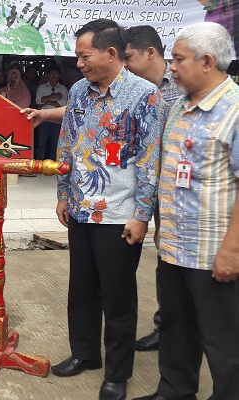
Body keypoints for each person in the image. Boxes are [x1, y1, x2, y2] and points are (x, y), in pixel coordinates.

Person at [50, 19, 163, 400]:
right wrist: (64, 193)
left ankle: (116, 373)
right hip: (80, 210)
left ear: (110, 53)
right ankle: (85, 355)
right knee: (81, 290)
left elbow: (149, 161)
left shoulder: (144, 95)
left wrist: (141, 215)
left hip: (118, 215)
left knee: (117, 297)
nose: (79, 63)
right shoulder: (80, 91)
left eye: (85, 56)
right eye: (78, 57)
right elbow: (66, 145)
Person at [134, 22, 239, 400]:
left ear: (207, 61)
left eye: (178, 59)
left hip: (214, 254)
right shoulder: (178, 105)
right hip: (175, 248)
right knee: (177, 329)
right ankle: (175, 391)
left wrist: (232, 250)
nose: (172, 67)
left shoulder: (234, 110)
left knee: (224, 342)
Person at [123, 25, 182, 353]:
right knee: (166, 259)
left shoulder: (181, 87)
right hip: (153, 188)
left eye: (129, 56)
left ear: (150, 52)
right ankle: (167, 327)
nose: (126, 64)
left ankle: (188, 327)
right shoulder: (133, 90)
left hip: (183, 188)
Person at [34, 64, 67, 160]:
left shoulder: (63, 89)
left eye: (56, 73)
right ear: (48, 75)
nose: (54, 75)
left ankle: (53, 165)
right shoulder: (42, 87)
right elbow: (38, 101)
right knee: (41, 143)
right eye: (52, 73)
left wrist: (47, 102)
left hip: (56, 118)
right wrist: (53, 96)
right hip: (43, 118)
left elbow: (63, 104)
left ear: (59, 75)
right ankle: (38, 164)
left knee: (55, 143)